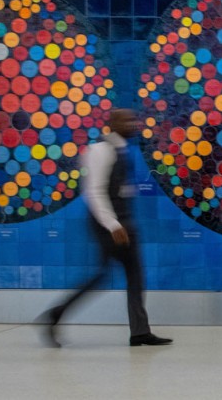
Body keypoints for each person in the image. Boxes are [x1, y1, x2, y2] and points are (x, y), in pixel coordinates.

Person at [41, 107, 172, 347]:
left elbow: (117, 187)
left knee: (135, 276)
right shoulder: (100, 150)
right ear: (112, 123)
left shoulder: (121, 149)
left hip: (123, 222)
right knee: (102, 275)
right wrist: (113, 224)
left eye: (134, 118)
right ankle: (56, 314)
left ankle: (140, 332)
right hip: (109, 224)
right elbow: (95, 191)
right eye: (128, 119)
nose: (134, 123)